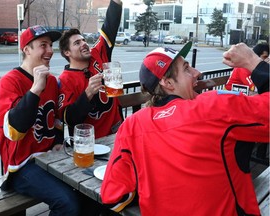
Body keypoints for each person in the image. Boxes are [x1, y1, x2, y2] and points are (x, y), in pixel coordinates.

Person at [101, 42, 269, 215]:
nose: (197, 72)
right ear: (167, 83)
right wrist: (252, 62)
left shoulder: (131, 125)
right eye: (187, 69)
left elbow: (113, 196)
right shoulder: (212, 107)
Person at [0, 25, 82, 215]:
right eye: (43, 45)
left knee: (90, 187)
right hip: (23, 167)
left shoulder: (51, 81)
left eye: (50, 45)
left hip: (50, 158)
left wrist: (58, 141)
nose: (50, 50)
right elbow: (13, 131)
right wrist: (34, 91)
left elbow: (56, 120)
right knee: (67, 202)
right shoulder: (9, 82)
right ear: (26, 49)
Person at [58, 0, 123, 139]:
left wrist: (116, 3)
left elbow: (110, 26)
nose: (84, 44)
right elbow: (69, 118)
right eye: (77, 43)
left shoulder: (97, 53)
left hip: (118, 132)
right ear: (67, 52)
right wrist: (87, 94)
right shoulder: (65, 80)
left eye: (83, 40)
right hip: (91, 144)